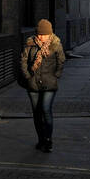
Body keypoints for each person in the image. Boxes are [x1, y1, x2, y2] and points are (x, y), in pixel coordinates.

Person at [20, 19, 66, 153]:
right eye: (39, 34)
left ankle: (48, 140)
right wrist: (28, 76)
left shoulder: (56, 44)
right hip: (33, 84)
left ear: (49, 34)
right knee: (36, 113)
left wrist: (56, 75)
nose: (41, 37)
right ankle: (40, 139)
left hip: (49, 84)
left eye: (44, 34)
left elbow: (61, 60)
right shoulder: (30, 43)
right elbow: (23, 60)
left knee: (46, 109)